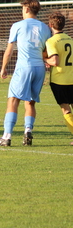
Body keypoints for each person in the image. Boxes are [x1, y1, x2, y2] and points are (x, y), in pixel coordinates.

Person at [0, 0, 52, 147]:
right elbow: (48, 50)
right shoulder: (45, 28)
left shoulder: (18, 25)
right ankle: (27, 131)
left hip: (24, 67)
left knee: (13, 100)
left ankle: (6, 137)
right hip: (40, 68)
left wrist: (3, 67)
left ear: (26, 9)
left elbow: (9, 50)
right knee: (30, 102)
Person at [44, 12, 73, 146]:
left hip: (60, 80)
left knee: (65, 108)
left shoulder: (51, 41)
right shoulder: (70, 39)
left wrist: (45, 59)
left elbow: (55, 61)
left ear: (50, 25)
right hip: (72, 77)